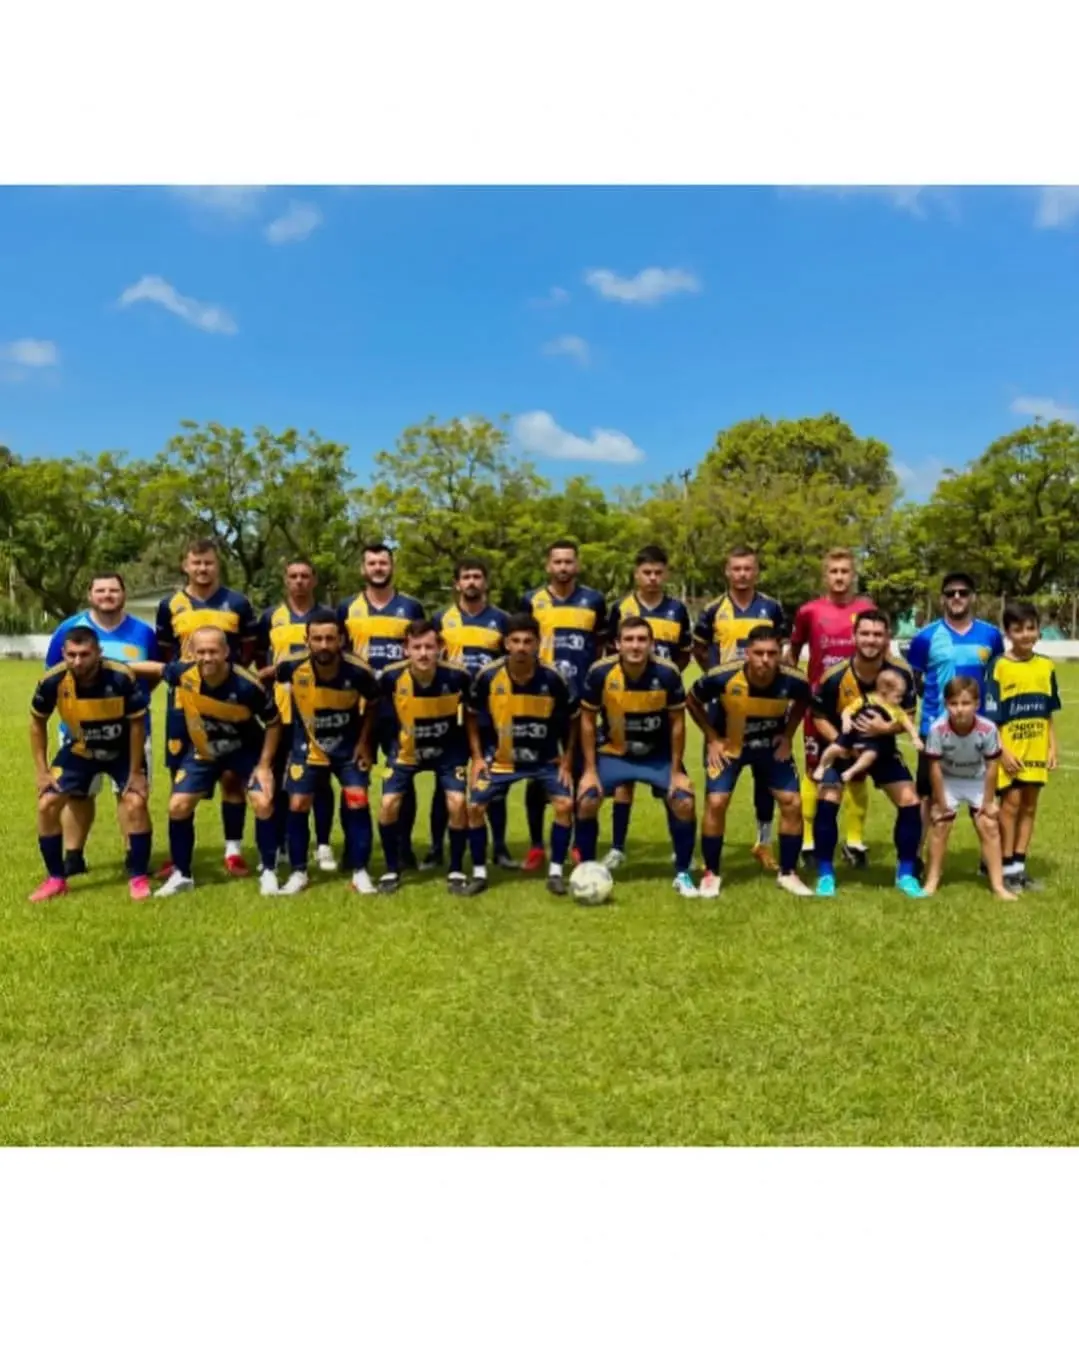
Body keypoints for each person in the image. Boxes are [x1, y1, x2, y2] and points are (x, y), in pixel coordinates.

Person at [130, 628, 280, 896]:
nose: (207, 657)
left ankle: (269, 870)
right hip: (204, 751)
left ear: (226, 652)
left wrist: (265, 766)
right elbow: (156, 669)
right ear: (192, 653)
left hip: (245, 751)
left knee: (263, 800)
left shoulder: (247, 685)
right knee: (178, 805)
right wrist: (114, 666)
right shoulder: (183, 673)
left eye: (213, 651)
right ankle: (182, 874)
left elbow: (273, 723)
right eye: (201, 652)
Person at [43, 572, 158, 877]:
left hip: (131, 729)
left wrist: (125, 702)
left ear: (124, 593)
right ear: (90, 594)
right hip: (78, 731)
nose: (107, 595)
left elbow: (156, 674)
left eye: (114, 590)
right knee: (79, 794)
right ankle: (74, 855)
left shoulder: (143, 632)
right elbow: (54, 673)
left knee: (130, 793)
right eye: (101, 590)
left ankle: (133, 854)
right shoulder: (69, 628)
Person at [155, 538, 259, 876]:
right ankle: (180, 857)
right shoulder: (169, 604)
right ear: (185, 565)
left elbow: (246, 653)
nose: (203, 568)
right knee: (182, 775)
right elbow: (165, 654)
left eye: (209, 563)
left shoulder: (238, 603)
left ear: (218, 565)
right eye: (196, 563)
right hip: (184, 703)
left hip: (227, 698)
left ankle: (233, 851)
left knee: (231, 775)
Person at [575, 615, 699, 897]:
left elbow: (678, 723)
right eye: (629, 640)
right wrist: (590, 771)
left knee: (683, 801)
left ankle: (683, 872)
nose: (635, 645)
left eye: (642, 639)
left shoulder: (667, 673)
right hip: (613, 754)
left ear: (651, 644)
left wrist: (677, 770)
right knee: (587, 799)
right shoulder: (600, 672)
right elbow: (586, 721)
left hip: (657, 756)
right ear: (617, 644)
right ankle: (585, 869)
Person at [28, 626, 153, 903]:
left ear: (98, 652)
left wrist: (135, 772)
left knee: (135, 801)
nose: (77, 661)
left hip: (121, 752)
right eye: (71, 655)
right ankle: (56, 879)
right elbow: (37, 722)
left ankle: (139, 876)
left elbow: (136, 724)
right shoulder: (52, 681)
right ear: (63, 653)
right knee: (47, 803)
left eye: (85, 654)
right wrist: (42, 771)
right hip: (80, 750)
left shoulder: (121, 676)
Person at [686, 627, 814, 897]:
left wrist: (788, 735)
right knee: (716, 802)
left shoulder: (793, 680)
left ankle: (788, 873)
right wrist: (712, 738)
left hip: (769, 748)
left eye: (772, 653)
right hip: (730, 747)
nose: (765, 659)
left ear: (780, 654)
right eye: (758, 653)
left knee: (792, 802)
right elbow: (692, 700)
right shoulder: (721, 676)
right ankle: (711, 873)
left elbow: (804, 702)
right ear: (747, 654)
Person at [809, 609, 926, 898]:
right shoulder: (835, 676)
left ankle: (906, 873)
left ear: (886, 638)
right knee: (828, 796)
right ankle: (825, 873)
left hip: (882, 749)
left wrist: (883, 729)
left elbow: (908, 716)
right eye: (865, 633)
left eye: (877, 634)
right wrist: (841, 741)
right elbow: (819, 716)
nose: (871, 640)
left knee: (910, 799)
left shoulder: (900, 673)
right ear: (854, 636)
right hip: (843, 748)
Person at [268, 609, 380, 895]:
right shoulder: (291, 666)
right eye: (317, 638)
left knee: (357, 801)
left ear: (341, 639)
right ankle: (298, 872)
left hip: (348, 750)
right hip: (307, 748)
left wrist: (365, 742)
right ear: (307, 640)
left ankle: (360, 870)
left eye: (330, 638)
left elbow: (376, 703)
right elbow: (264, 677)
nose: (324, 645)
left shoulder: (358, 671)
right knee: (298, 804)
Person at [465, 614, 579, 895]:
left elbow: (575, 718)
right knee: (474, 808)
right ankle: (479, 873)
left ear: (538, 644)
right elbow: (470, 716)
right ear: (506, 644)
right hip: (500, 761)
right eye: (515, 641)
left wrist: (567, 759)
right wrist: (478, 758)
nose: (521, 647)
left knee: (564, 805)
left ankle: (555, 873)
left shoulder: (555, 678)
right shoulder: (488, 676)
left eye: (528, 641)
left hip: (544, 761)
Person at [692, 546, 787, 872]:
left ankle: (763, 843)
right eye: (737, 569)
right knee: (717, 780)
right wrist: (717, 677)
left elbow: (780, 649)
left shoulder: (771, 607)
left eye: (748, 569)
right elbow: (700, 648)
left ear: (756, 571)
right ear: (727, 572)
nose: (742, 574)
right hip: (725, 711)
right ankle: (711, 852)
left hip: (763, 705)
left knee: (766, 778)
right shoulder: (713, 609)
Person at [602, 545, 693, 871]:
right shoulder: (620, 608)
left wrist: (666, 679)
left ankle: (677, 848)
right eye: (646, 573)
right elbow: (608, 651)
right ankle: (617, 847)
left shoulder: (678, 610)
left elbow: (684, 653)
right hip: (624, 704)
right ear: (636, 574)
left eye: (658, 573)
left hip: (660, 703)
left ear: (665, 574)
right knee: (623, 781)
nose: (653, 578)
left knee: (671, 778)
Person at [519, 541, 607, 871]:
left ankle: (582, 846)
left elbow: (599, 645)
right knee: (537, 773)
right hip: (542, 700)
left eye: (569, 562)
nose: (563, 567)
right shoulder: (532, 600)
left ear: (577, 565)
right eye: (557, 562)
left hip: (582, 700)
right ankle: (536, 845)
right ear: (548, 566)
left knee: (585, 773)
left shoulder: (594, 601)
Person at [786, 548, 876, 868]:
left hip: (857, 707)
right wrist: (789, 689)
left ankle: (854, 841)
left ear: (853, 575)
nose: (839, 577)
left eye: (845, 571)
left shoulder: (867, 609)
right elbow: (793, 652)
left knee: (857, 771)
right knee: (815, 771)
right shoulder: (809, 611)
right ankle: (809, 842)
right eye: (833, 571)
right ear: (825, 576)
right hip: (819, 707)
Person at [337, 543, 426, 869]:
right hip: (355, 708)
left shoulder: (411, 608)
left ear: (392, 566)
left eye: (383, 562)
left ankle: (402, 847)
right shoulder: (347, 608)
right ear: (363, 569)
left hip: (398, 707)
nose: (378, 568)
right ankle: (352, 846)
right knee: (353, 778)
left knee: (402, 776)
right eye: (372, 563)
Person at [375, 619, 474, 894]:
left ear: (440, 648)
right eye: (416, 647)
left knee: (457, 803)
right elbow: (375, 712)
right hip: (407, 751)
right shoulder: (391, 677)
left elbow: (474, 714)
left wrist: (475, 754)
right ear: (406, 649)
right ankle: (392, 869)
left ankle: (455, 869)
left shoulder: (458, 676)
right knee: (388, 803)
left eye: (429, 647)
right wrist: (385, 745)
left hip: (447, 752)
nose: (423, 653)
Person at [906, 572, 1005, 845]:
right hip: (935, 729)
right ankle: (915, 859)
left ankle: (991, 863)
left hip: (979, 730)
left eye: (962, 592)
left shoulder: (991, 635)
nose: (957, 597)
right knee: (927, 795)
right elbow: (917, 682)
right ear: (942, 599)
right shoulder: (925, 637)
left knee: (985, 795)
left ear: (972, 597)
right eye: (950, 593)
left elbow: (996, 680)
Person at [428, 558, 513, 870]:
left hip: (491, 713)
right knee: (446, 784)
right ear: (457, 583)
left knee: (494, 782)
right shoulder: (441, 619)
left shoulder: (502, 620)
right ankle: (437, 848)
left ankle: (500, 847)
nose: (472, 582)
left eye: (478, 576)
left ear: (485, 582)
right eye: (466, 577)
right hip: (449, 711)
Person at [256, 558, 338, 873]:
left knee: (321, 779)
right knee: (277, 777)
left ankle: (324, 845)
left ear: (314, 580)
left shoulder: (328, 616)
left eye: (305, 575)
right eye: (293, 576)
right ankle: (280, 844)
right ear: (285, 580)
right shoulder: (269, 618)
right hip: (282, 711)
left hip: (320, 712)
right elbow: (259, 662)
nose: (299, 581)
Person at [984, 602, 1061, 892]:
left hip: (1037, 747)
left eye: (1030, 628)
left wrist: (1053, 746)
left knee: (1030, 805)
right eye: (1018, 629)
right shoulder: (999, 667)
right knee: (1011, 804)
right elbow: (991, 718)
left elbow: (1047, 711)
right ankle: (1003, 866)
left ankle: (1019, 867)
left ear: (1038, 631)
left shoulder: (1046, 666)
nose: (1026, 634)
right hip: (1011, 749)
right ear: (1008, 633)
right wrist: (1002, 750)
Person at [921, 676, 1017, 901]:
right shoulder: (937, 729)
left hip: (977, 779)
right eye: (953, 704)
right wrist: (941, 803)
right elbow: (933, 768)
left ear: (977, 704)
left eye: (965, 704)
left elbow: (993, 766)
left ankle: (998, 885)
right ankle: (931, 881)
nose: (959, 710)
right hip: (948, 780)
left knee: (989, 825)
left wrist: (988, 802)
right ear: (946, 705)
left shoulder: (988, 728)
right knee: (941, 825)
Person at [813, 666, 923, 783]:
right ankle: (821, 766)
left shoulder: (896, 710)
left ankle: (851, 771)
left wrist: (915, 738)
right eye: (897, 696)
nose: (900, 700)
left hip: (872, 740)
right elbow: (848, 710)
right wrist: (846, 721)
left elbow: (907, 722)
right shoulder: (867, 699)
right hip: (853, 732)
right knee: (835, 748)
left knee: (870, 755)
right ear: (884, 692)